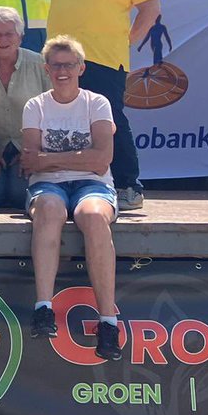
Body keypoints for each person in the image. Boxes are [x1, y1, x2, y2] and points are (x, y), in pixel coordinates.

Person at [0, 0, 160, 210]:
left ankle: (127, 185)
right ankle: (61, 180)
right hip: (61, 61)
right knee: (60, 120)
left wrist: (128, 40)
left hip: (104, 58)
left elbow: (150, 7)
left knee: (110, 122)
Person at [22, 35, 122, 360]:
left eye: (68, 65)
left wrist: (53, 157)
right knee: (49, 209)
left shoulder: (98, 103)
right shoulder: (35, 106)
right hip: (47, 186)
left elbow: (102, 160)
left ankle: (108, 322)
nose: (62, 71)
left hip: (91, 186)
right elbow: (30, 161)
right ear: (46, 69)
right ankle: (43, 308)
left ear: (81, 67)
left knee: (92, 217)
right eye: (55, 65)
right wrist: (81, 155)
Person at [0, 7, 49, 209]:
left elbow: (52, 111)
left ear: (20, 37)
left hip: (28, 147)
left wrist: (32, 151)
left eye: (9, 34)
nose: (3, 39)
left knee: (18, 194)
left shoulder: (38, 63)